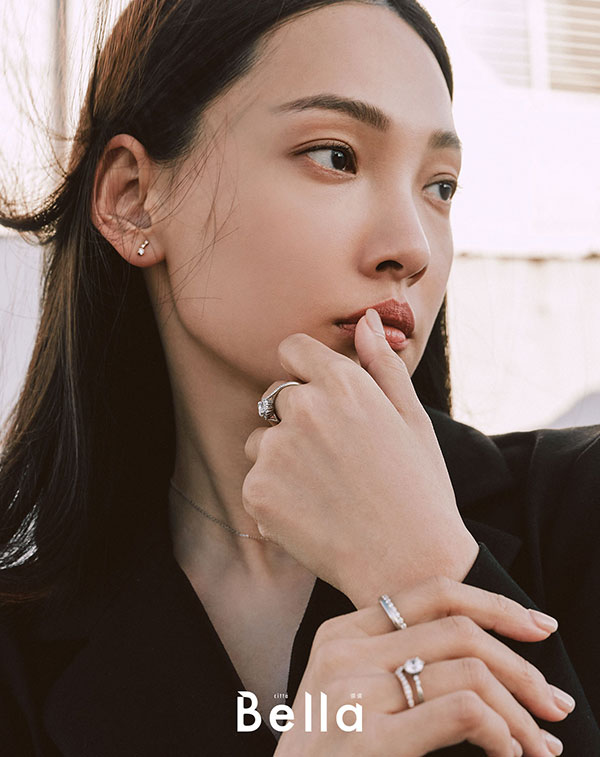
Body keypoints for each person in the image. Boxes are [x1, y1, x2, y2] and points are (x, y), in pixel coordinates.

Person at [0, 0, 598, 754]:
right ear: (133, 198)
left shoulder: (580, 511)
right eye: (336, 156)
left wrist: (425, 571)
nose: (412, 247)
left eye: (440, 186)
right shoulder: (22, 657)